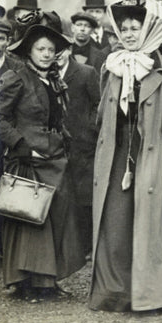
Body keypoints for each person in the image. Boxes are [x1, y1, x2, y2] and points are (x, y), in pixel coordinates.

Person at [89, 0, 162, 312]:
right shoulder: (113, 67)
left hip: (152, 156)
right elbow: (101, 115)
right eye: (126, 29)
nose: (130, 34)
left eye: (136, 27)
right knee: (115, 225)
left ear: (149, 28)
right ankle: (116, 293)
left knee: (151, 227)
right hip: (118, 155)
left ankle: (155, 296)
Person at [0, 24, 85, 301]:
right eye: (41, 49)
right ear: (29, 51)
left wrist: (65, 141)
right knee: (31, 221)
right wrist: (20, 145)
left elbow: (57, 119)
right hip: (28, 158)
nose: (47, 54)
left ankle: (48, 281)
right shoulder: (16, 77)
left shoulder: (55, 80)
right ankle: (26, 284)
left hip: (55, 157)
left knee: (54, 218)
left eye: (51, 50)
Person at [56, 46, 100, 257]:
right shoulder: (46, 74)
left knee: (84, 195)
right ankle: (64, 244)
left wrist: (89, 130)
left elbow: (98, 104)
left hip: (83, 144)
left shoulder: (86, 72)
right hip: (57, 144)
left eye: (60, 50)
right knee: (62, 192)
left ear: (69, 50)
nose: (56, 55)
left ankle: (86, 245)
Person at [0, 19, 24, 261]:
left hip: (4, 139)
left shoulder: (15, 68)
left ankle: (3, 246)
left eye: (0, 38)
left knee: (5, 189)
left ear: (7, 42)